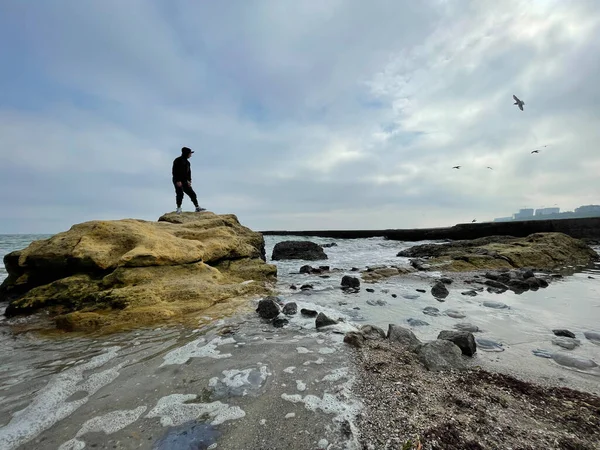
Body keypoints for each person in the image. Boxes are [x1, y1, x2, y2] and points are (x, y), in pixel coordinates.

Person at [172, 146, 206, 213]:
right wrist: (178, 181)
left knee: (192, 193)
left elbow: (189, 172)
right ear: (186, 153)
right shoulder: (177, 160)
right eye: (190, 153)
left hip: (185, 181)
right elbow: (174, 171)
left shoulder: (187, 163)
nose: (191, 155)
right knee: (180, 194)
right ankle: (178, 208)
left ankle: (197, 207)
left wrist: (189, 180)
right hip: (177, 180)